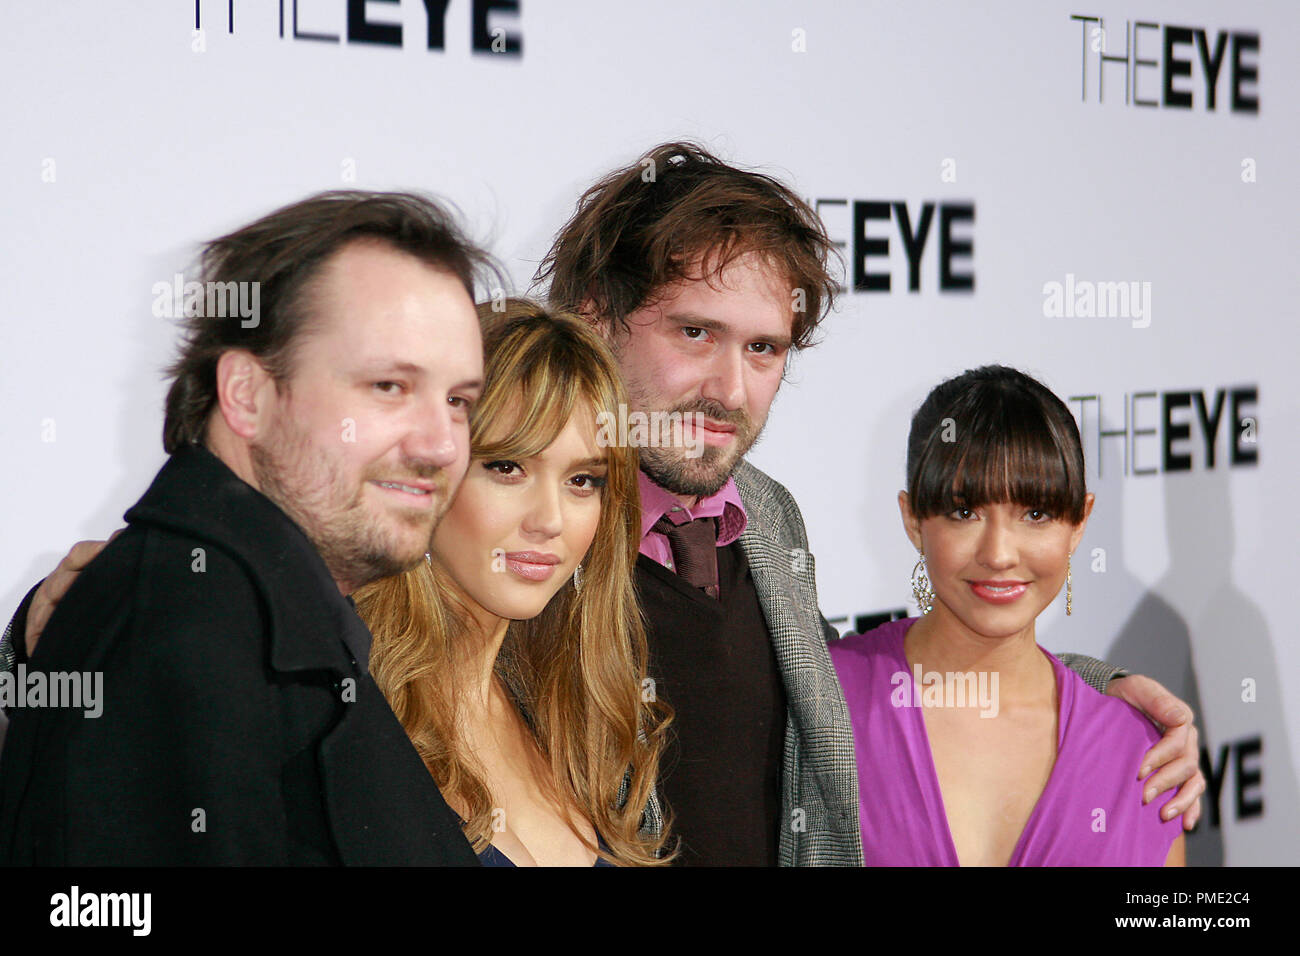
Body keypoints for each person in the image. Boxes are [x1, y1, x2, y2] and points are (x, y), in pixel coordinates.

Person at [535, 141, 1205, 864]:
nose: (730, 390)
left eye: (763, 349)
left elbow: (840, 674)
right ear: (595, 316)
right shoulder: (528, 529)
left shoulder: (762, 514)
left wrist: (1106, 694)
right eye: (696, 333)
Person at [0, 191, 490, 864]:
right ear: (246, 395)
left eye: (459, 400)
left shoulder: (262, 619)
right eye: (389, 387)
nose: (440, 445)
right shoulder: (184, 623)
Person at [356, 300, 673, 866]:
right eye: (508, 467)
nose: (549, 519)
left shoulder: (576, 720)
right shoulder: (347, 711)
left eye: (583, 480)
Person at [829, 365, 1184, 865]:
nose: (998, 553)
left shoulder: (1138, 753)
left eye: (1035, 514)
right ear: (913, 520)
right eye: (964, 512)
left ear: (1078, 524)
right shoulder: (823, 701)